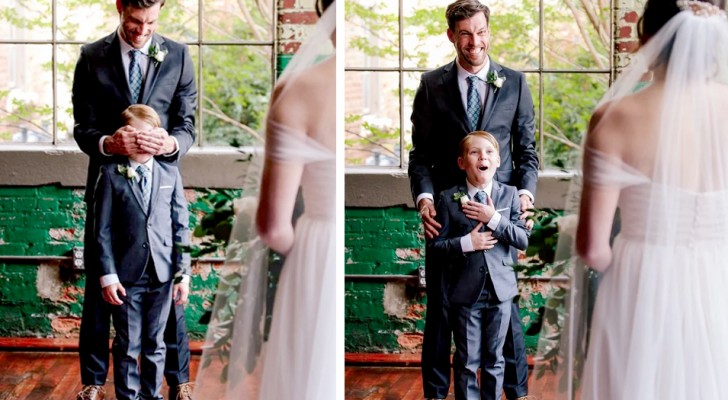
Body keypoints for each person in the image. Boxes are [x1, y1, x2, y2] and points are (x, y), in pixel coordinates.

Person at [549, 0, 728, 398]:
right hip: (720, 284)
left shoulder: (616, 116)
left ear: (647, 37)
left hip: (640, 287)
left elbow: (593, 249)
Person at [191, 0, 335, 399]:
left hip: (317, 256)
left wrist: (308, 248)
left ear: (322, 11)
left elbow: (272, 227)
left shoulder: (299, 91)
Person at [408, 1, 538, 398]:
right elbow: (420, 156)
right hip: (447, 217)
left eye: (480, 32)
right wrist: (426, 200)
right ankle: (434, 394)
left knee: (506, 312)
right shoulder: (432, 85)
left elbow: (528, 151)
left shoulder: (514, 82)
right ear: (452, 36)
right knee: (442, 314)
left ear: (489, 31)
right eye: (465, 33)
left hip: (500, 210)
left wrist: (526, 197)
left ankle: (515, 393)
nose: (474, 42)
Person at [72, 0, 197, 399]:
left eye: (151, 23)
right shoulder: (92, 57)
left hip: (160, 182)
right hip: (110, 183)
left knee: (167, 293)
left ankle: (179, 382)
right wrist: (108, 142)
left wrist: (171, 142)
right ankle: (93, 381)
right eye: (134, 22)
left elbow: (188, 123)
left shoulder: (177, 55)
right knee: (101, 286)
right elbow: (81, 126)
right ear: (119, 8)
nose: (142, 31)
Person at [93, 104, 191, 400]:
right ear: (122, 137)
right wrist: (108, 276)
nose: (141, 142)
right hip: (126, 274)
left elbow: (180, 227)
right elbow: (103, 231)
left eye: (148, 136)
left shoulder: (169, 174)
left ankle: (152, 396)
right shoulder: (110, 174)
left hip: (162, 275)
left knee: (156, 343)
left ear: (158, 138)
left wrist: (182, 273)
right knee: (127, 344)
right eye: (134, 136)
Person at [429, 132, 529, 400]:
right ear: (462, 163)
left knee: (496, 359)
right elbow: (435, 247)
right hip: (465, 292)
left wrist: (493, 217)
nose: (482, 157)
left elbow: (522, 239)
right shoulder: (449, 198)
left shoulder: (509, 195)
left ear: (498, 160)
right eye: (474, 153)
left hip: (501, 292)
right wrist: (466, 243)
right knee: (467, 361)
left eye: (488, 152)